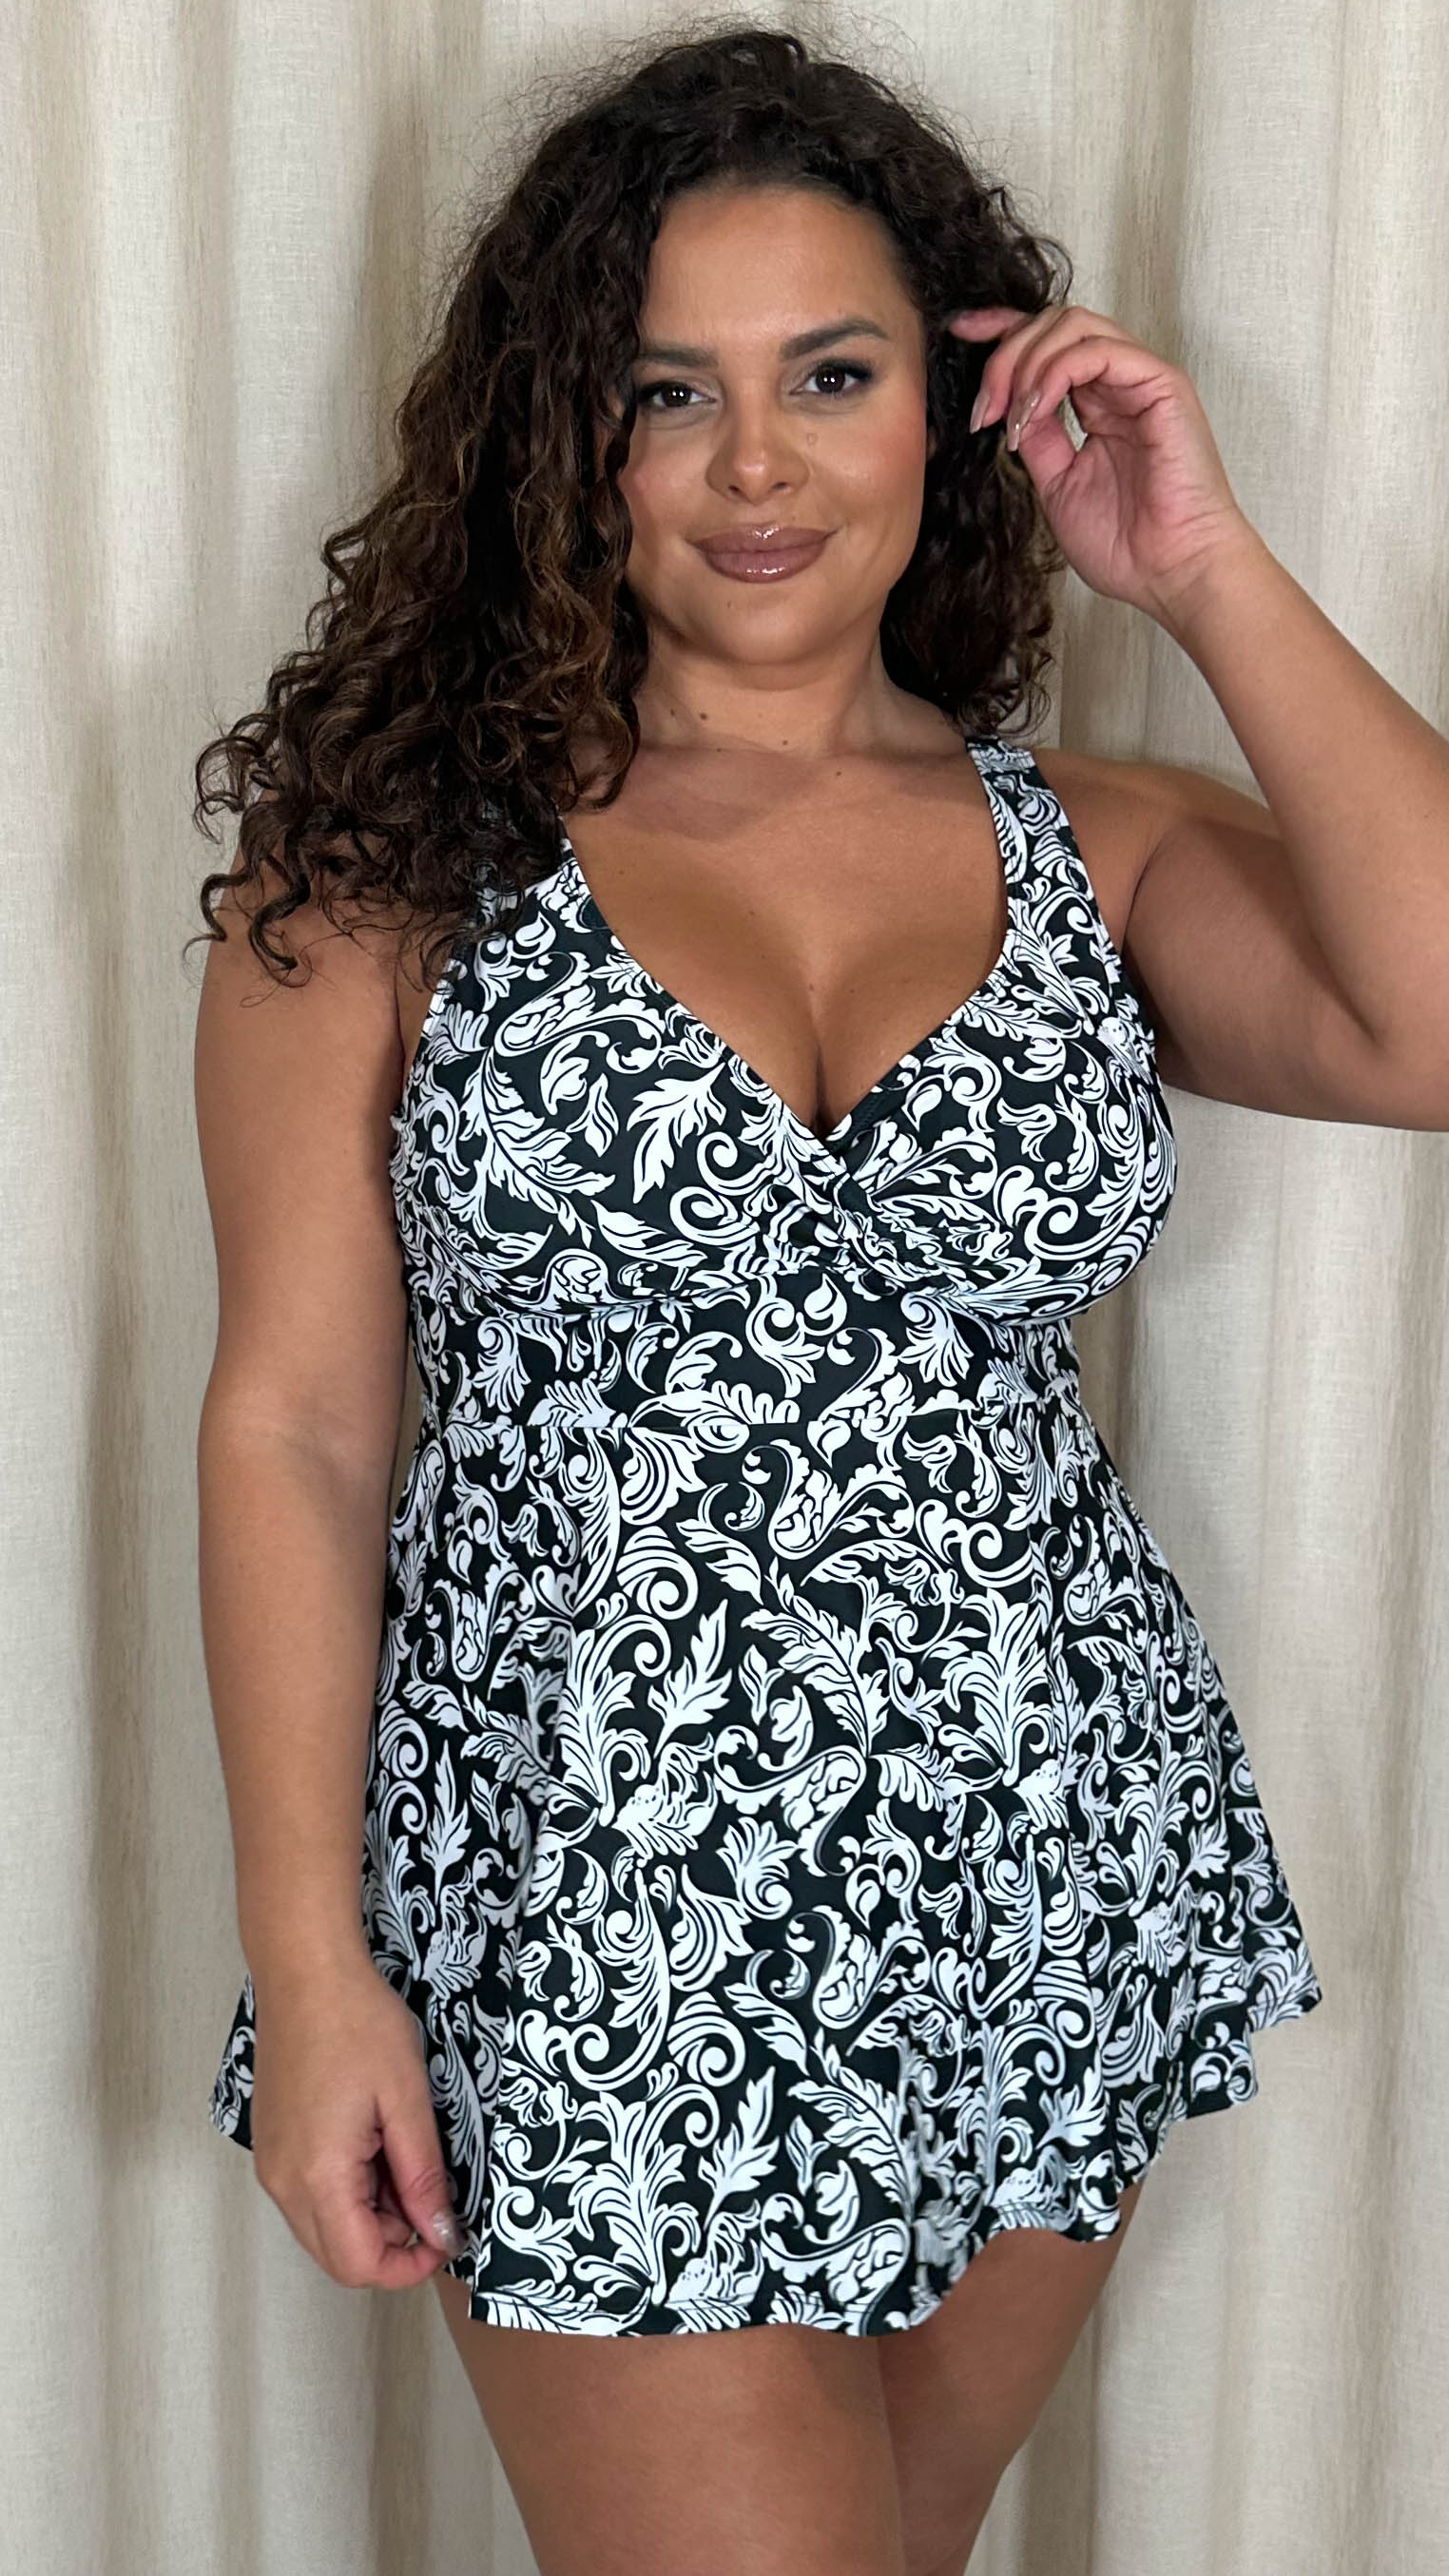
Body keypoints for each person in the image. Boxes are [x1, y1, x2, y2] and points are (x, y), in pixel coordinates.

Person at [190, 20, 1449, 2571]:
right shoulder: (391, 871)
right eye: (670, 392)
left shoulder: (1098, 842)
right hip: (594, 1892)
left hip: (1038, 1858)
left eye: (833, 376)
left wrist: (1200, 568)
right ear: (565, 441)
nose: (757, 466)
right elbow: (294, 1427)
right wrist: (312, 1970)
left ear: (954, 413)